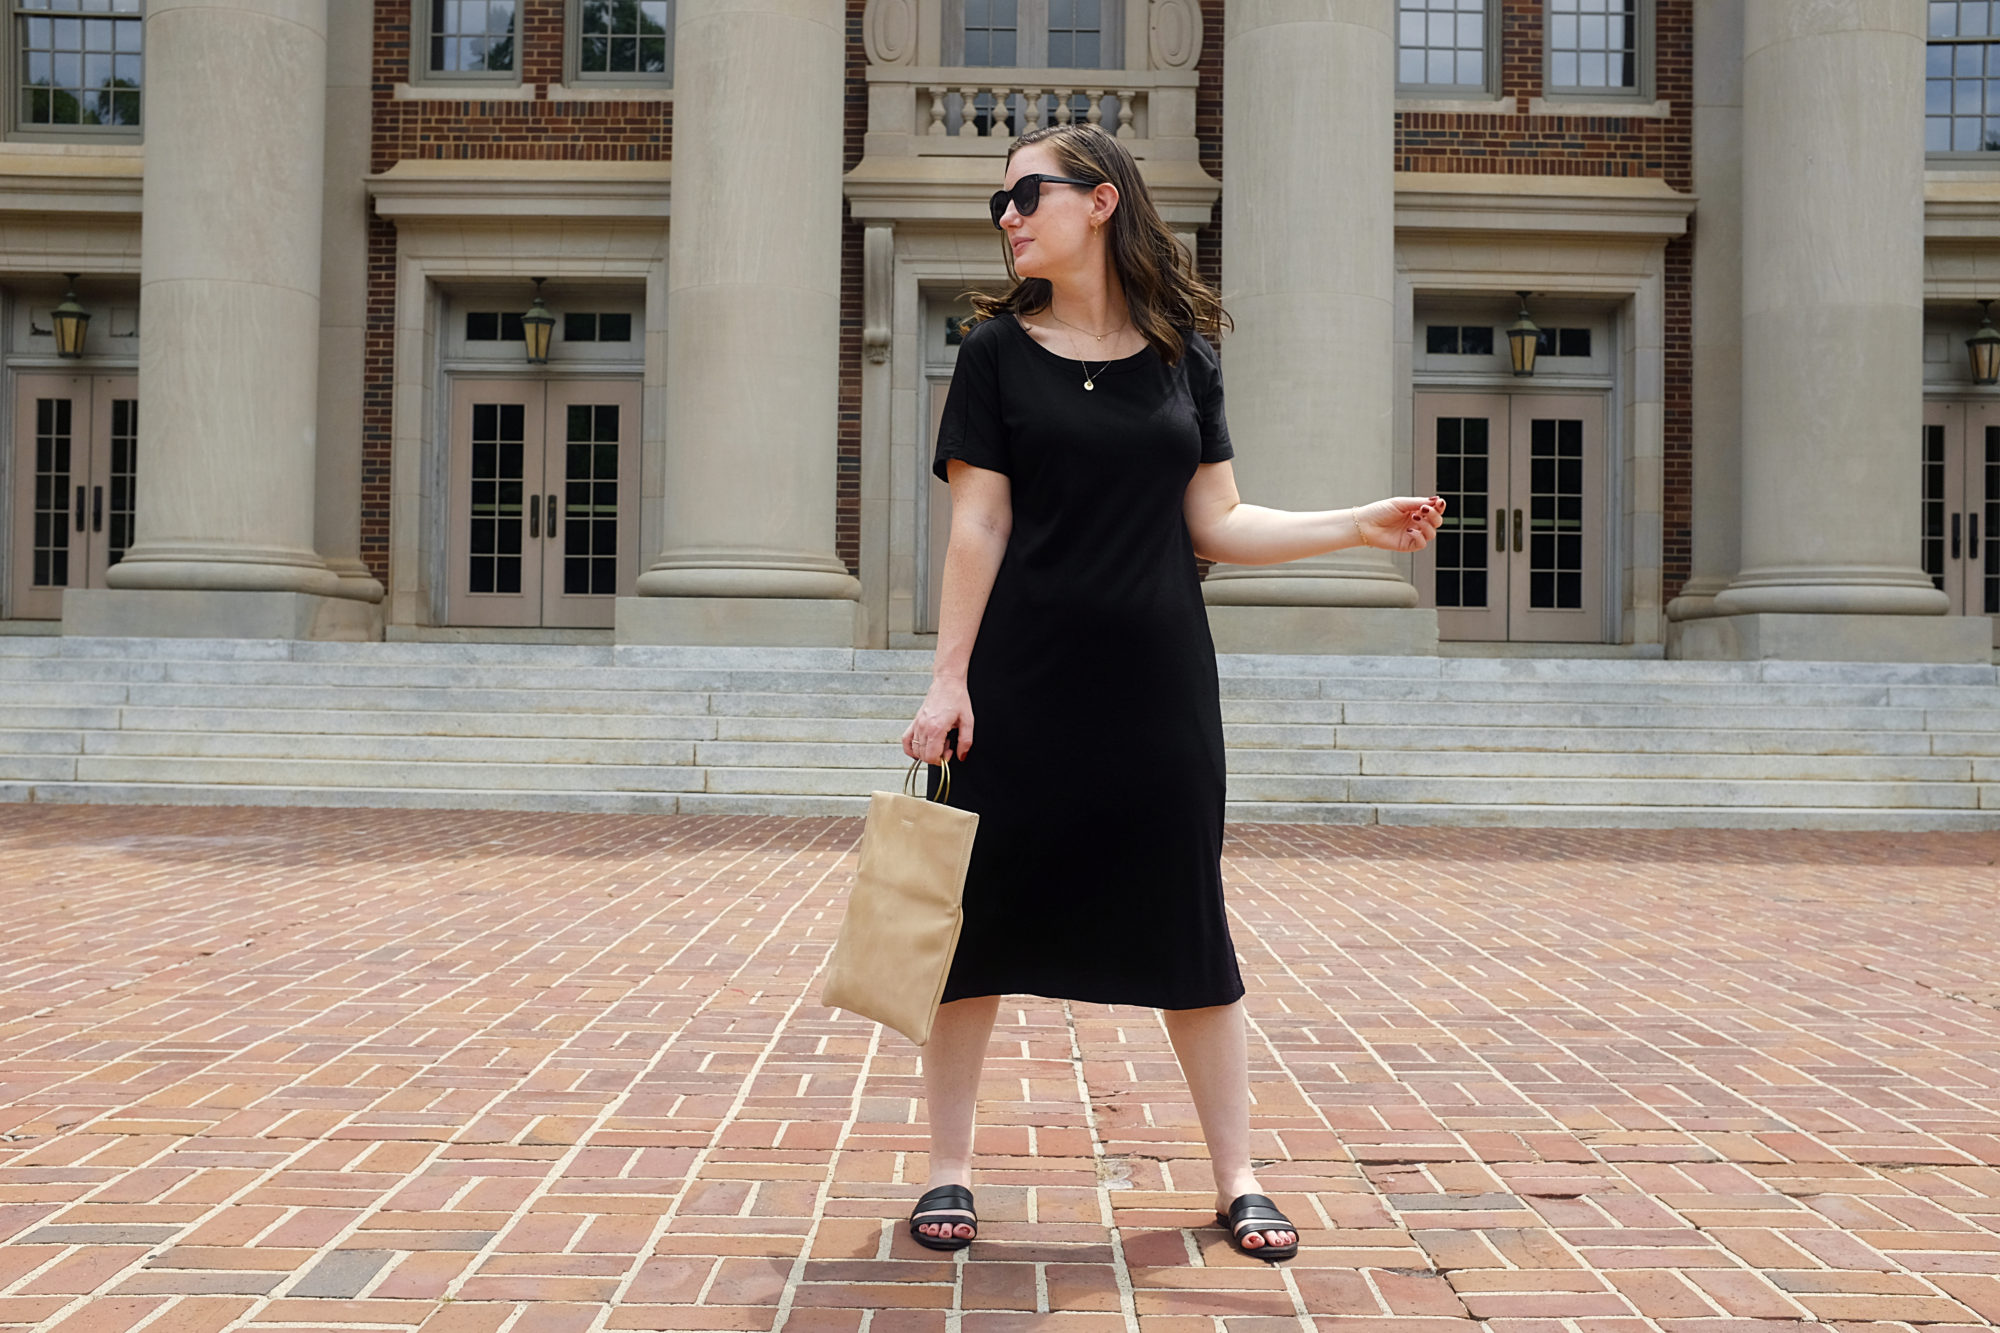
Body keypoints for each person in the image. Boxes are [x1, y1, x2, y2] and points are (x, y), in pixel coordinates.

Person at [899, 121, 1444, 1264]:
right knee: (970, 931)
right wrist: (947, 677)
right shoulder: (992, 354)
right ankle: (949, 1168)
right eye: (997, 203)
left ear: (1098, 201)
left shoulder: (1179, 355)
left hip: (1156, 688)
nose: (1004, 216)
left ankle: (1236, 1176)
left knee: (1188, 924)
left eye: (1024, 195)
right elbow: (978, 523)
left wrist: (1354, 526)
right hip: (1019, 682)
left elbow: (1214, 521)